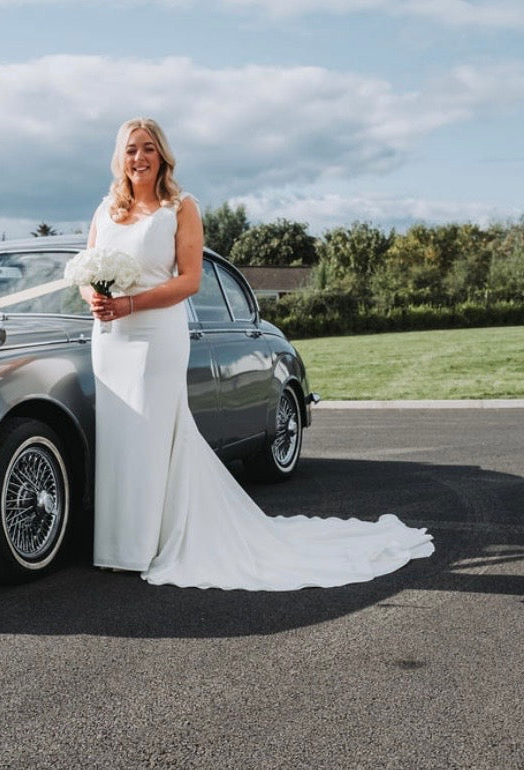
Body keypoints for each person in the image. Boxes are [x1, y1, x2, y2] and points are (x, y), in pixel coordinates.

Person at [81, 118, 434, 590]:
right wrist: (95, 299)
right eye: (130, 149)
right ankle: (116, 547)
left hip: (156, 333)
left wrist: (130, 303)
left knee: (150, 434)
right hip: (110, 338)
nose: (139, 157)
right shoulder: (106, 209)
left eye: (148, 148)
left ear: (163, 155)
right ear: (118, 157)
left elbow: (189, 280)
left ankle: (146, 546)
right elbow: (86, 269)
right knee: (119, 435)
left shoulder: (180, 207)